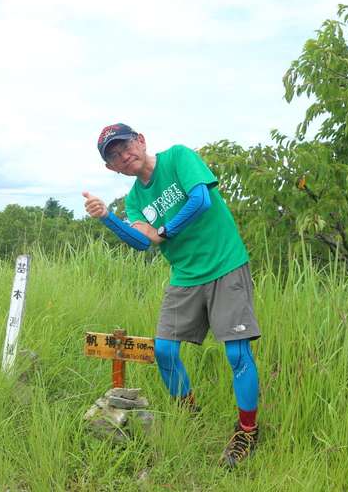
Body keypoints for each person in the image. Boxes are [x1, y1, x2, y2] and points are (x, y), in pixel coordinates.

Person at [83, 123, 261, 469]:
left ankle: (247, 432)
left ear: (141, 140)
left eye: (126, 146)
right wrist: (107, 217)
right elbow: (141, 242)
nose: (124, 156)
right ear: (111, 168)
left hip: (225, 263)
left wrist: (164, 231)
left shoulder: (178, 158)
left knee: (237, 352)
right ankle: (189, 415)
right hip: (185, 275)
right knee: (164, 350)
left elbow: (201, 199)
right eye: (115, 156)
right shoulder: (135, 199)